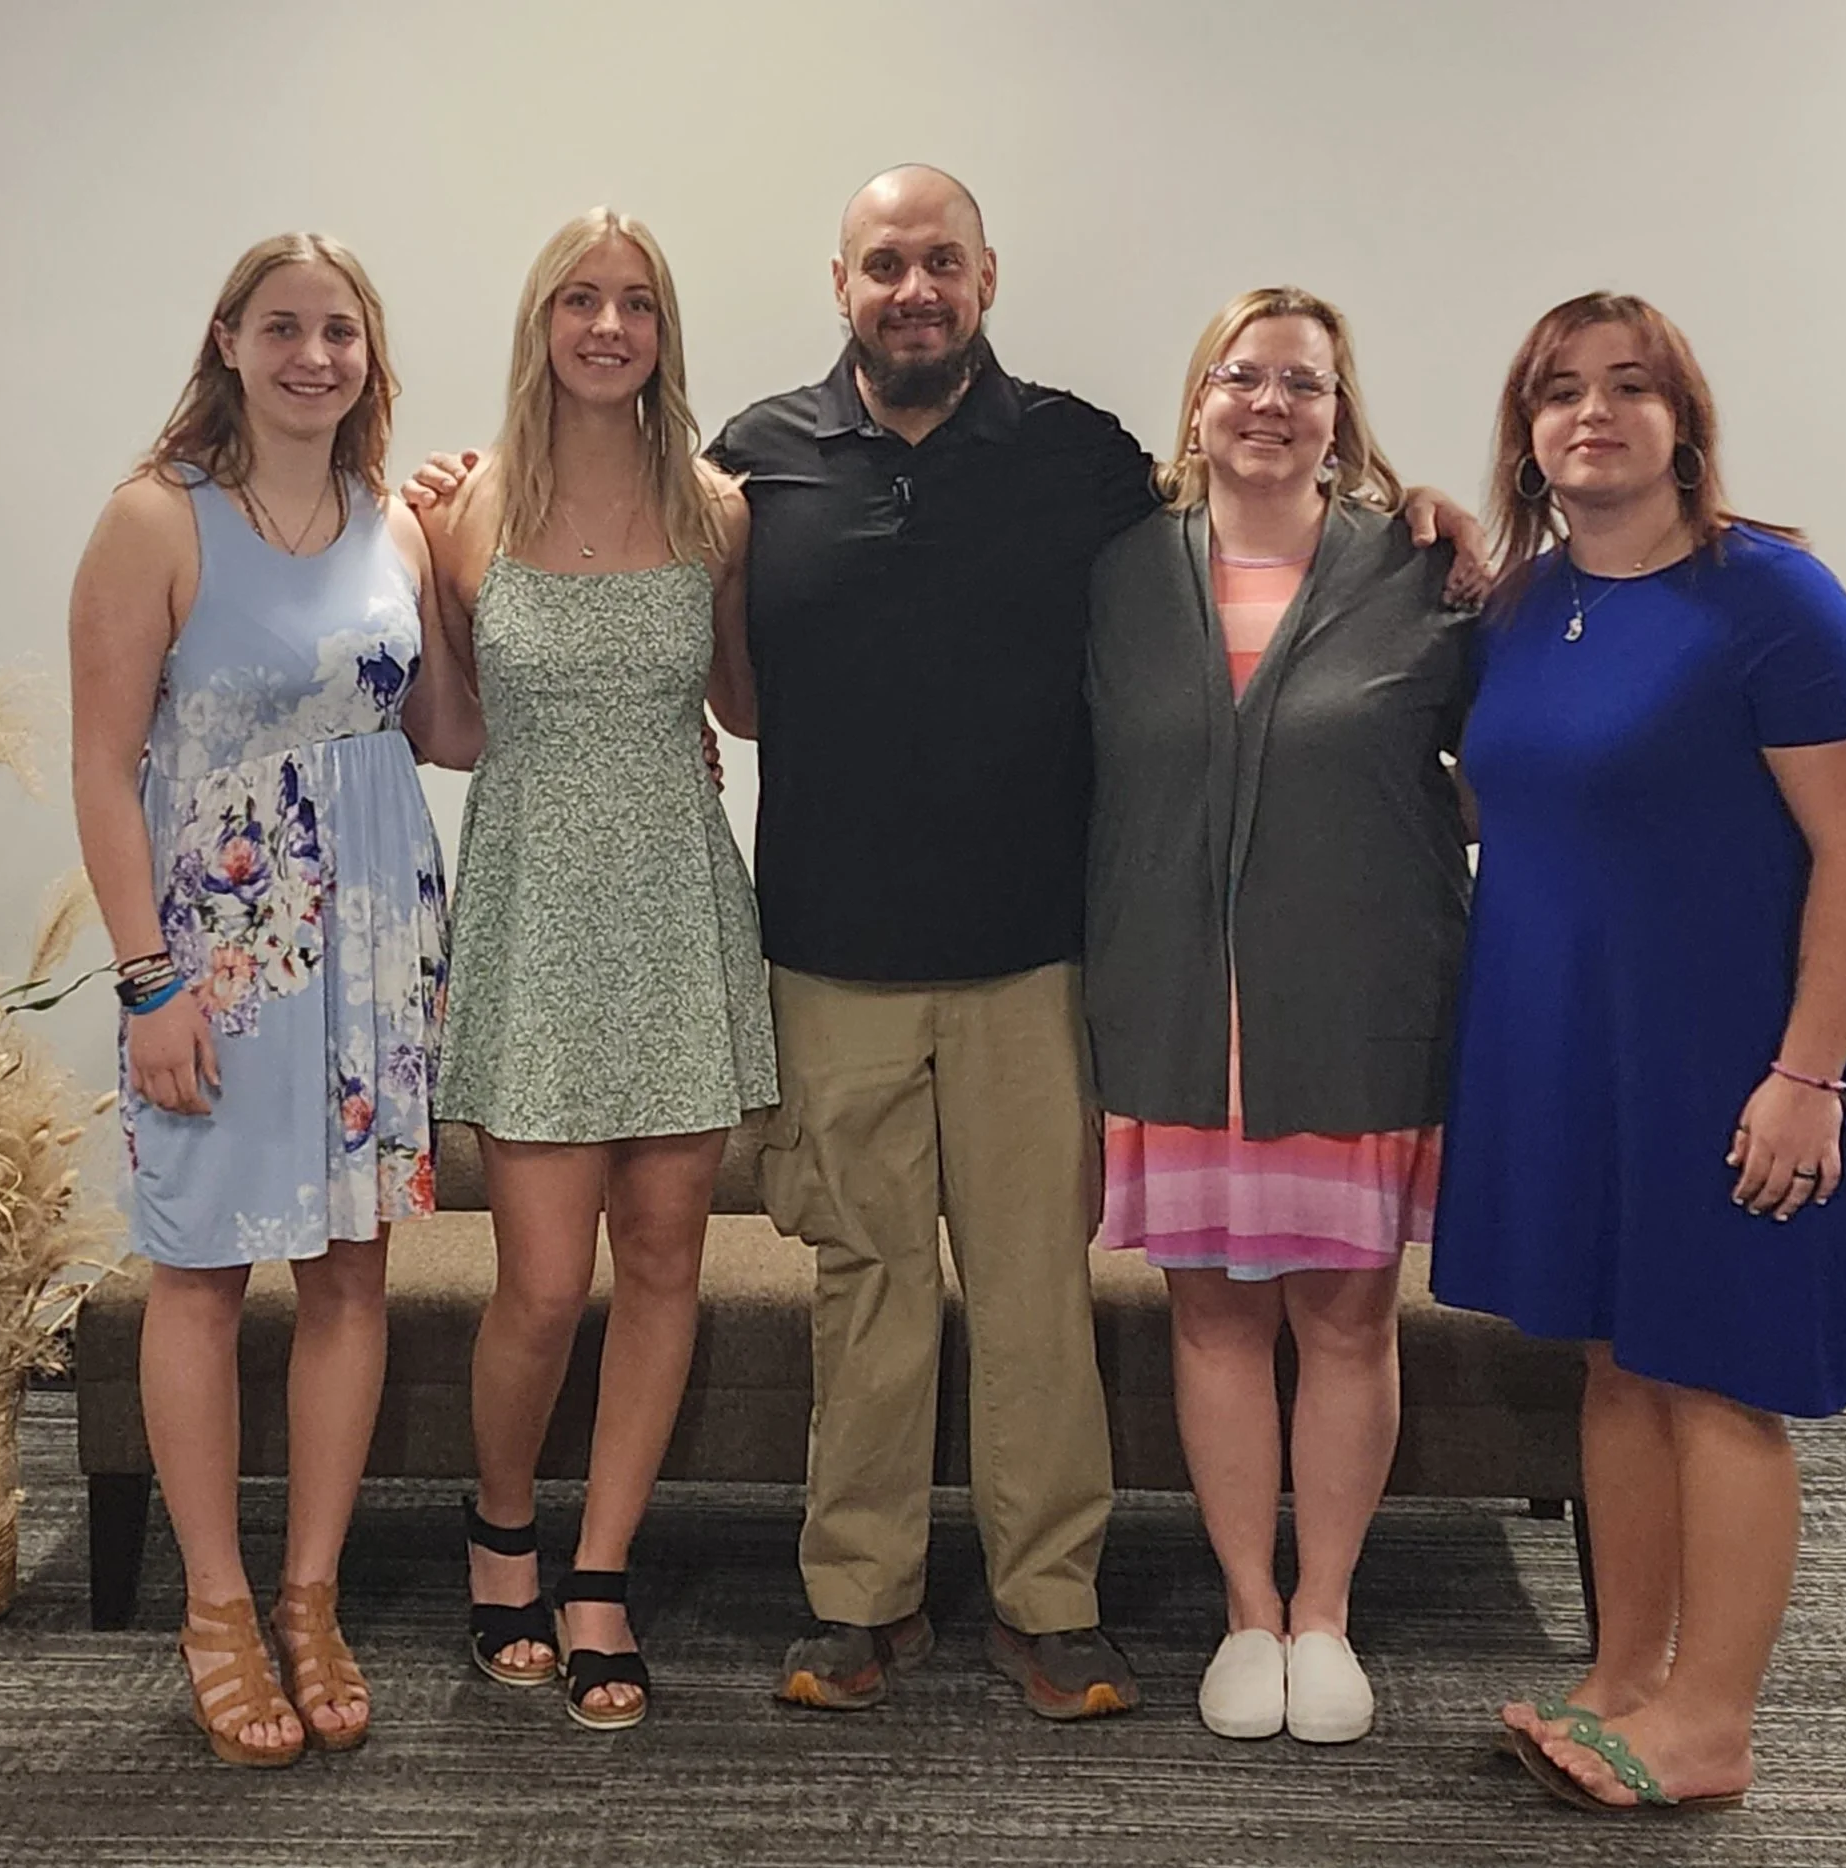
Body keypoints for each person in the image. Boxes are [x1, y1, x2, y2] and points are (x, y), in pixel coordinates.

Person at [410, 165, 1485, 1723]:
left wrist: (1414, 510)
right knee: (869, 1288)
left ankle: (1049, 1605)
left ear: (987, 279)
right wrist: (449, 488)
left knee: (1039, 1290)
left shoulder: (1083, 457)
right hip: (828, 949)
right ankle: (861, 1602)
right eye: (884, 264)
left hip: (1035, 956)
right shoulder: (751, 468)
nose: (915, 289)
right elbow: (658, 622)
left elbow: (1254, 525)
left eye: (943, 264)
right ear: (838, 282)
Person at [1431, 291, 1846, 1812]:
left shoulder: (1773, 598)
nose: (1595, 411)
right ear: (1528, 434)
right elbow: (1510, 799)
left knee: (1718, 1378)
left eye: (1631, 385)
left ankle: (1709, 1723)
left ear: (1684, 421)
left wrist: (1808, 1077)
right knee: (1615, 1361)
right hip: (1578, 1050)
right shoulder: (1520, 607)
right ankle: (1621, 1676)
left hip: (1743, 1053)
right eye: (1562, 390)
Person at [69, 232, 476, 1767]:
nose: (316, 356)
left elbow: (442, 730)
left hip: (376, 944)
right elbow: (105, 770)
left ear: (370, 357)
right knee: (203, 1273)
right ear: (229, 340)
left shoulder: (392, 523)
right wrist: (149, 981)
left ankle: (313, 1596)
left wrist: (464, 551)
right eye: (286, 328)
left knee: (354, 1275)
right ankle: (219, 1606)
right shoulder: (151, 521)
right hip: (222, 958)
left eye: (343, 333)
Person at [1084, 287, 1473, 1744]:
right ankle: (1250, 1608)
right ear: (1197, 406)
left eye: (1299, 383)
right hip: (1177, 1002)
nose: (1266, 402)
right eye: (1239, 377)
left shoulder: (1422, 572)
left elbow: (1503, 764)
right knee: (1213, 1317)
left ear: (1339, 412)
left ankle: (1330, 1610)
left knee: (1349, 1316)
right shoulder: (1121, 574)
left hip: (1353, 1005)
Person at [412, 208, 773, 1733]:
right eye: (581, 299)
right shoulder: (458, 509)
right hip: (535, 910)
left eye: (635, 302)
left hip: (681, 910)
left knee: (670, 1264)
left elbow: (744, 706)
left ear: (663, 330)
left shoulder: (720, 513)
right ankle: (502, 1536)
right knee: (545, 1286)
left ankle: (601, 1573)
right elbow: (450, 727)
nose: (609, 326)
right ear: (542, 323)